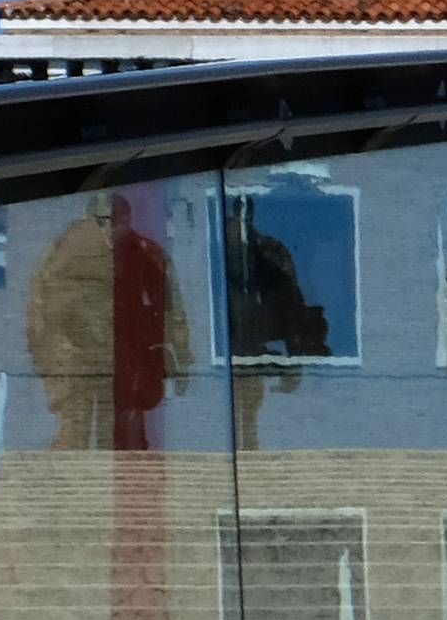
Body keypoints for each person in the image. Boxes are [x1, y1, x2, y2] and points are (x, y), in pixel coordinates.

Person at [25, 192, 193, 449]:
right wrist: (45, 359)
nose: (110, 229)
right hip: (83, 360)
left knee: (114, 437)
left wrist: (180, 360)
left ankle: (97, 485)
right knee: (80, 434)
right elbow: (40, 308)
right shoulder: (65, 253)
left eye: (115, 221)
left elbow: (171, 310)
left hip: (118, 362)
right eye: (104, 221)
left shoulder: (144, 254)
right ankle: (71, 486)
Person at [224, 194, 331, 448]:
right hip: (232, 350)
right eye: (237, 213)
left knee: (250, 419)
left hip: (253, 351)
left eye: (245, 214)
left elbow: (290, 301)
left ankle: (250, 449)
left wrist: (294, 361)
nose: (241, 220)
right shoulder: (217, 246)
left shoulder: (270, 250)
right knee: (241, 417)